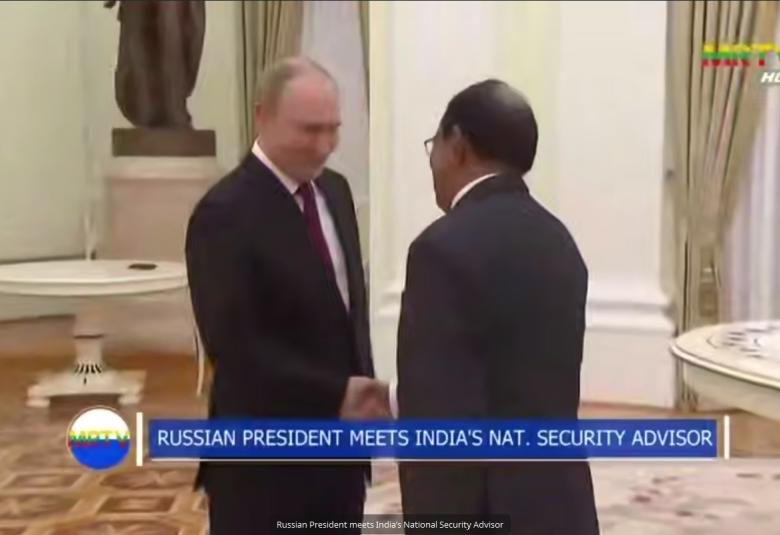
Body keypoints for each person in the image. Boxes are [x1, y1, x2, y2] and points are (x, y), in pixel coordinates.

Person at [186, 57, 389, 535]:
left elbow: (346, 314)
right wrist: (336, 395)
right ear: (262, 117)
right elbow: (234, 348)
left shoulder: (335, 192)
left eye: (333, 129)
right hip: (264, 466)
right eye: (309, 130)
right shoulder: (223, 213)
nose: (324, 146)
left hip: (339, 458)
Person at [395, 80, 600, 534]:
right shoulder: (557, 240)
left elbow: (439, 427)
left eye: (433, 145)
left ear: (457, 146)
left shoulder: (439, 250)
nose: (432, 161)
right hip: (560, 503)